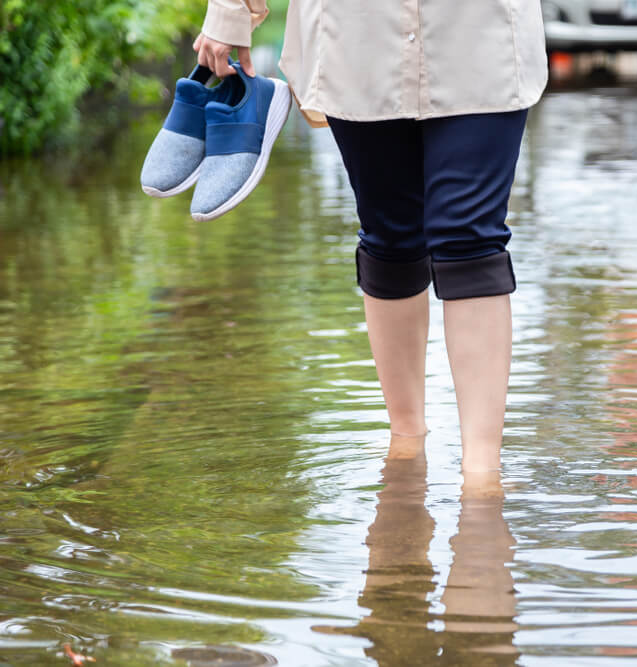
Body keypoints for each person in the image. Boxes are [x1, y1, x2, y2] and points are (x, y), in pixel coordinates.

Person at [195, 0, 548, 471]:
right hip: (356, 36)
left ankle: (482, 472)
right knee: (390, 236)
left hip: (478, 32)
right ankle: (405, 440)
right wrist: (231, 12)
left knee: (470, 238)